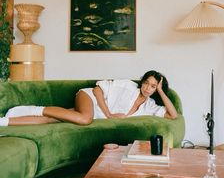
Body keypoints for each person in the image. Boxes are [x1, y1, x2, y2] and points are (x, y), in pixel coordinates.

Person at [0, 70, 178, 126]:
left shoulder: (150, 106)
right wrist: (108, 114)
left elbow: (173, 115)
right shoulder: (128, 85)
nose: (147, 88)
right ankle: (35, 109)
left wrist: (162, 91)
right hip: (89, 97)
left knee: (50, 120)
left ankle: (6, 121)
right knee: (85, 119)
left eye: (153, 86)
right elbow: (98, 89)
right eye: (146, 83)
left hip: (96, 113)